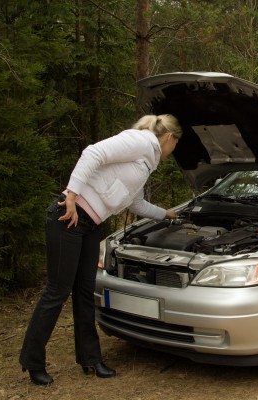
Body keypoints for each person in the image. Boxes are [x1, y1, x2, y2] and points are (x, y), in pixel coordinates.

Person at [19, 114, 183, 385]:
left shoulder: (146, 162)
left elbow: (137, 204)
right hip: (68, 217)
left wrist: (168, 215)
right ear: (169, 138)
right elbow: (93, 153)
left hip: (90, 224)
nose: (173, 150)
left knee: (84, 293)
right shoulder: (140, 141)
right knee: (57, 291)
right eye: (176, 144)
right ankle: (32, 361)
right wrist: (71, 196)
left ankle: (90, 359)